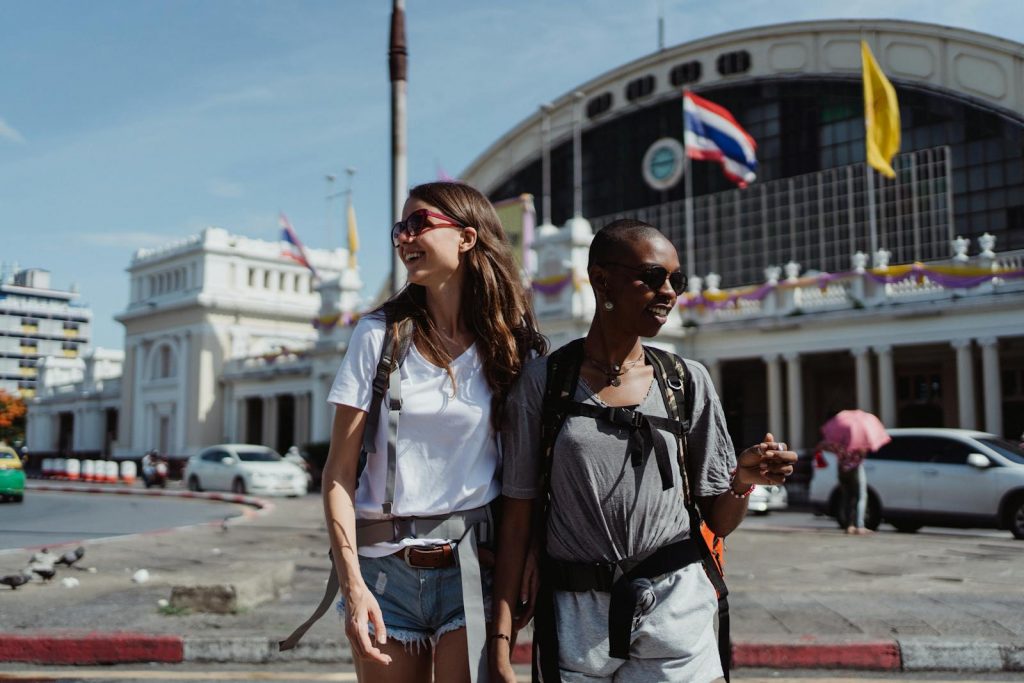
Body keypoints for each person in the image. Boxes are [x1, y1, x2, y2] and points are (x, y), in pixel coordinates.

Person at [490, 219, 796, 682]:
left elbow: (716, 522)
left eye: (677, 280)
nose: (669, 292)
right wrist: (500, 643)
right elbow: (517, 518)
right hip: (576, 615)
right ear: (600, 279)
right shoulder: (544, 383)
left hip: (676, 610)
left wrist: (742, 482)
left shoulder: (685, 380)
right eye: (653, 277)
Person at [320, 182, 546, 682]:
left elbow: (527, 474)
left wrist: (528, 553)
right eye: (400, 228)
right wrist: (352, 582)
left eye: (418, 224)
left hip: (474, 569)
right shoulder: (378, 335)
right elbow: (336, 474)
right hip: (383, 573)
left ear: (466, 238)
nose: (403, 238)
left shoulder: (514, 348)